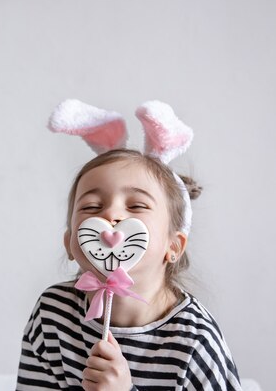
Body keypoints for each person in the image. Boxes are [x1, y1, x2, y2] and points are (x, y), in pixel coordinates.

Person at [16, 100, 241, 390]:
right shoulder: (53, 315)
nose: (111, 216)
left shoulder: (195, 341)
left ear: (173, 246)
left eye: (136, 205)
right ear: (70, 242)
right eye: (92, 206)